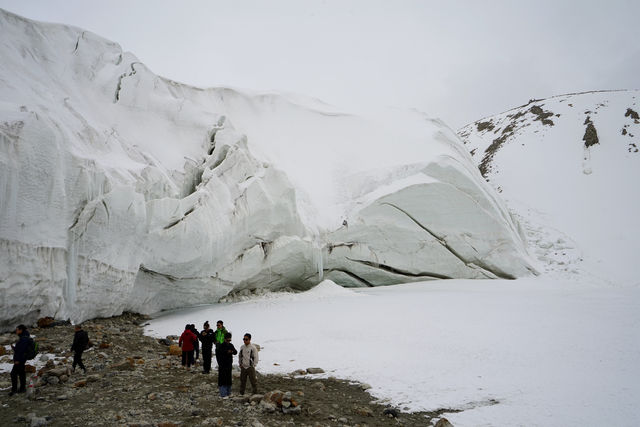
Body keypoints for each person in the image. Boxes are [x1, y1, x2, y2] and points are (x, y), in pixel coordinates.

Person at [9, 324, 30, 396]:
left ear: (21, 330)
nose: (16, 331)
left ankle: (14, 390)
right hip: (22, 359)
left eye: (17, 329)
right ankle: (22, 388)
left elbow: (21, 351)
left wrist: (17, 360)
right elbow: (20, 350)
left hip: (20, 360)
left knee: (13, 374)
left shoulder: (23, 339)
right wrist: (14, 348)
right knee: (21, 373)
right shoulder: (25, 337)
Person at [215, 332, 237, 397]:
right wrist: (226, 352)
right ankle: (223, 394)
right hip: (222, 365)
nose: (228, 341)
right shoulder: (221, 346)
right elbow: (218, 355)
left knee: (228, 378)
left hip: (229, 365)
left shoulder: (231, 345)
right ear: (224, 339)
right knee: (222, 379)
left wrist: (232, 351)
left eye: (230, 340)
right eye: (227, 340)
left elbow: (235, 352)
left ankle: (228, 393)